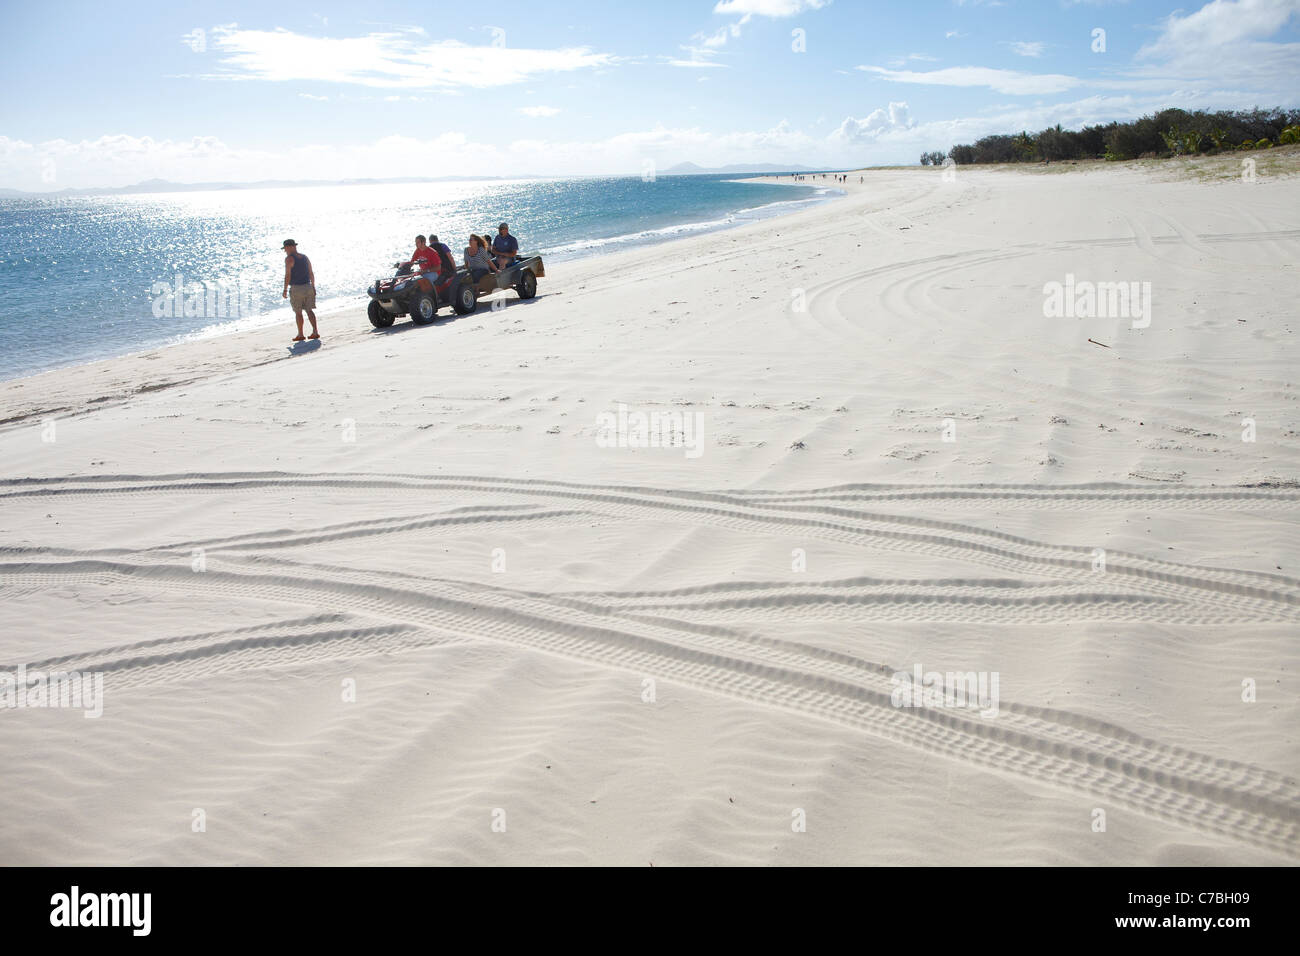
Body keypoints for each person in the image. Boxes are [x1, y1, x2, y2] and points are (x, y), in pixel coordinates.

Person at [281, 239, 318, 341]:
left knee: (298, 312)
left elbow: (287, 275)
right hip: (308, 286)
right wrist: (313, 286)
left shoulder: (289, 259)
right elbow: (311, 272)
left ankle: (301, 334)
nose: (285, 251)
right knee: (309, 310)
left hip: (297, 288)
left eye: (285, 249)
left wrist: (285, 289)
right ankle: (315, 331)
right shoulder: (305, 257)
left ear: (289, 247)